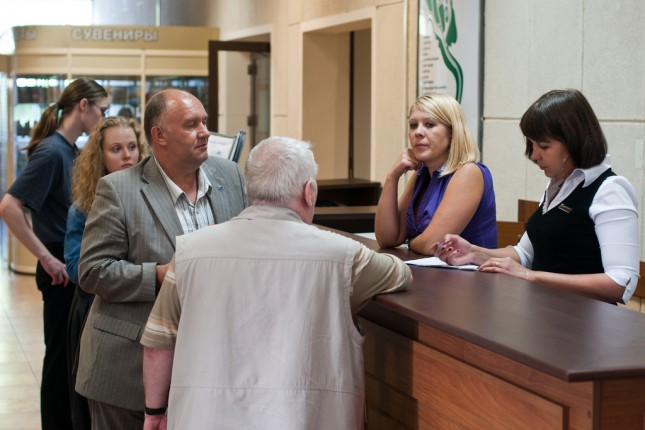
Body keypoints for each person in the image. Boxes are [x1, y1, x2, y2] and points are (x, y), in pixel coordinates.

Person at [140, 136, 412, 430]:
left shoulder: (190, 251)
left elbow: (158, 343)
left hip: (204, 418)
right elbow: (400, 274)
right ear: (309, 192)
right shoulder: (343, 255)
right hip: (304, 418)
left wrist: (154, 412)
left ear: (250, 190)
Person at [75, 88, 247, 429]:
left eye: (205, 122)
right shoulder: (119, 189)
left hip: (209, 365)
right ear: (159, 135)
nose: (205, 132)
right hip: (128, 369)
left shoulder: (230, 176)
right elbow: (93, 272)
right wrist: (161, 274)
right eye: (191, 124)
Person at [434, 89, 639, 304]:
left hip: (585, 325)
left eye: (544, 146)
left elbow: (620, 283)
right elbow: (525, 254)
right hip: (545, 314)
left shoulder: (610, 189)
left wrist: (529, 276)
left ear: (573, 141)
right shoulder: (559, 184)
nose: (534, 155)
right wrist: (474, 253)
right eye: (531, 144)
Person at [0, 77, 108, 430]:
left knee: (68, 362)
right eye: (102, 110)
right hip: (59, 268)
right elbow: (9, 207)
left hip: (69, 263)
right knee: (60, 364)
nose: (103, 118)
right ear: (83, 106)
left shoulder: (70, 148)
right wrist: (46, 257)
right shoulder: (51, 152)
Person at [64, 116, 149, 430]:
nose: (127, 155)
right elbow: (78, 268)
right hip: (93, 310)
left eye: (132, 147)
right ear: (100, 156)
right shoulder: (82, 207)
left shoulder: (148, 198)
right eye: (116, 149)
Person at [375, 93, 497, 255]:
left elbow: (432, 245)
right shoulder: (423, 173)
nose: (418, 132)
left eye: (429, 124)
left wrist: (411, 242)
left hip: (472, 276)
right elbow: (388, 238)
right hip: (432, 274)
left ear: (452, 132)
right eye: (413, 125)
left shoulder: (469, 172)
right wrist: (392, 176)